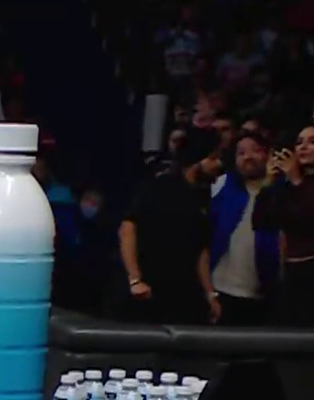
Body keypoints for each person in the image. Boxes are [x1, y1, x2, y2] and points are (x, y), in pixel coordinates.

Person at [110, 130, 223, 325]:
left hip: (181, 297)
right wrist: (135, 280)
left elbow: (201, 251)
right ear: (197, 160)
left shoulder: (204, 198)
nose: (219, 164)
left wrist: (210, 293)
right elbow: (127, 230)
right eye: (213, 158)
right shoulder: (156, 188)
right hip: (146, 293)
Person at [209, 134, 281, 326]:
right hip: (219, 289)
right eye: (241, 153)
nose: (248, 157)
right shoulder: (222, 185)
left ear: (269, 155)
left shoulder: (283, 191)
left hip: (264, 294)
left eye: (255, 151)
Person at [254, 126, 314, 327]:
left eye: (312, 142)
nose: (303, 147)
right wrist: (268, 183)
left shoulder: (298, 183)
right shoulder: (288, 186)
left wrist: (296, 180)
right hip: (290, 270)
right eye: (299, 142)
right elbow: (261, 221)